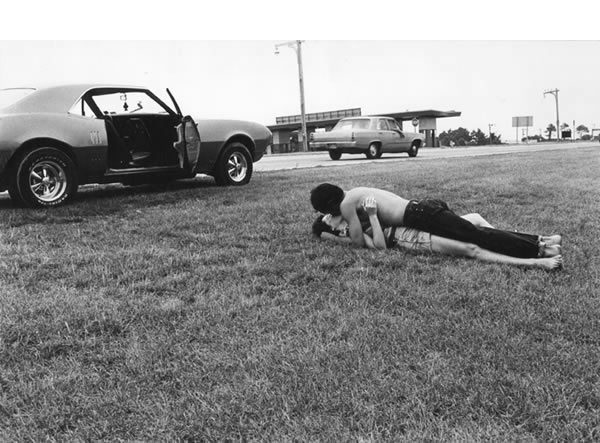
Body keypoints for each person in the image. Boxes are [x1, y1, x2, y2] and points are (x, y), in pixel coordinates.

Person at [310, 183, 562, 259]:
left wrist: (335, 225)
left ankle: (539, 248)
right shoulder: (355, 192)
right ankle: (542, 241)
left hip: (420, 215)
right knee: (473, 230)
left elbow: (356, 241)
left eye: (329, 212)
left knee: (477, 236)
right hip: (422, 208)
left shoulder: (346, 204)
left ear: (332, 205)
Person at [312, 197, 563, 271]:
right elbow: (377, 247)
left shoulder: (352, 212)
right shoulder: (351, 227)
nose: (330, 216)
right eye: (325, 218)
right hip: (408, 237)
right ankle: (535, 259)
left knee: (474, 222)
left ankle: (537, 242)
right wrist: (374, 216)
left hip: (418, 221)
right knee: (471, 247)